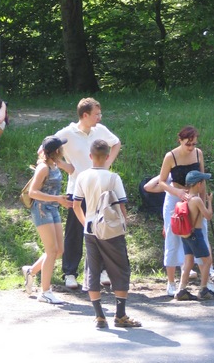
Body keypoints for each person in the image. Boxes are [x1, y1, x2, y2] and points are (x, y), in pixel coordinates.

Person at [52, 97, 121, 289]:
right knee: (75, 232)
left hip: (100, 189)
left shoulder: (100, 130)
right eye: (96, 114)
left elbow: (116, 143)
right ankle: (70, 273)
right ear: (85, 115)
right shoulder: (67, 133)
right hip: (77, 190)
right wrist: (67, 167)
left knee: (102, 229)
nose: (100, 117)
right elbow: (45, 150)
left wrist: (108, 162)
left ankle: (102, 270)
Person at [73, 140, 141, 329]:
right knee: (120, 269)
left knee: (92, 271)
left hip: (90, 229)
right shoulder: (113, 178)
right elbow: (121, 205)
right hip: (111, 230)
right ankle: (120, 315)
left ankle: (99, 317)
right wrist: (124, 224)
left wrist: (87, 223)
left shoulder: (82, 176)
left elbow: (76, 205)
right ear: (107, 156)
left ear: (90, 156)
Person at [158, 125, 212, 297]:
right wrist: (178, 192)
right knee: (173, 236)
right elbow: (162, 182)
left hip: (195, 197)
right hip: (176, 197)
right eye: (188, 144)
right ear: (180, 140)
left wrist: (203, 202)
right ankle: (171, 283)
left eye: (194, 144)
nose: (191, 147)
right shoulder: (171, 156)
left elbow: (202, 180)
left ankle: (206, 282)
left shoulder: (198, 153)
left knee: (201, 232)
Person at [21, 136, 74, 304]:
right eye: (61, 147)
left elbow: (72, 169)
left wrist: (58, 200)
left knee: (59, 251)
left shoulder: (55, 164)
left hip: (53, 207)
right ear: (57, 151)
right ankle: (45, 292)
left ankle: (31, 271)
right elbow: (33, 192)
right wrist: (57, 198)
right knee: (51, 251)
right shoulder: (43, 168)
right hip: (41, 209)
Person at [143, 174, 202, 293]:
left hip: (190, 212)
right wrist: (164, 175)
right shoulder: (170, 178)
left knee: (191, 239)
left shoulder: (192, 176)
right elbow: (148, 187)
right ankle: (172, 282)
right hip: (174, 213)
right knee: (172, 242)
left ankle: (190, 269)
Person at [175, 170, 213, 301]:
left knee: (189, 261)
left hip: (185, 235)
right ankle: (203, 290)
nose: (203, 185)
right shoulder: (197, 200)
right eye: (202, 182)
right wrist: (209, 201)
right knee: (208, 261)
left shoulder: (184, 198)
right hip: (196, 234)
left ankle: (181, 290)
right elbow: (208, 216)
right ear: (198, 184)